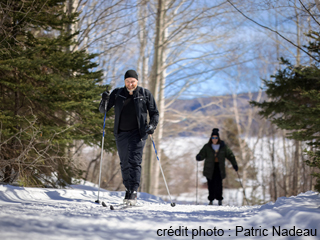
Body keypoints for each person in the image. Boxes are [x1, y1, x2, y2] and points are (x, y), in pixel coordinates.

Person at [99, 69, 159, 205]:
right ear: (124, 82)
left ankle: (133, 190)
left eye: (132, 81)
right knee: (124, 162)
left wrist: (152, 126)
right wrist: (104, 100)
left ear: (137, 81)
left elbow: (155, 113)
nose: (130, 84)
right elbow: (103, 110)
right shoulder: (118, 93)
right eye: (127, 81)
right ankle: (128, 188)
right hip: (121, 133)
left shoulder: (145, 94)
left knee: (134, 161)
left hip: (138, 133)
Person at [196, 128, 238, 206]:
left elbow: (230, 155)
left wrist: (234, 164)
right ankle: (211, 200)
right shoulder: (207, 146)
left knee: (219, 184)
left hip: (219, 168)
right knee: (211, 184)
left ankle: (219, 199)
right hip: (209, 168)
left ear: (218, 138)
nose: (214, 139)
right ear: (211, 138)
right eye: (213, 137)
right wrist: (199, 157)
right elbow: (202, 154)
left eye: (216, 137)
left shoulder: (223, 146)